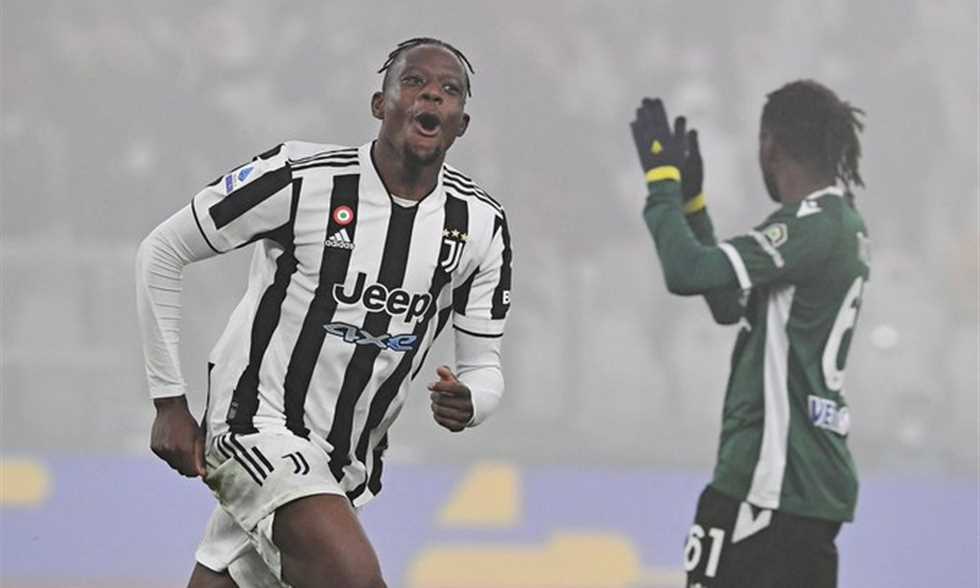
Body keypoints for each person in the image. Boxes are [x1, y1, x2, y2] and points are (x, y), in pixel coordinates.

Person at [136, 37, 512, 588]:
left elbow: (483, 366)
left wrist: (472, 400)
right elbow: (163, 250)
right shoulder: (302, 177)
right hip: (255, 427)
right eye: (414, 81)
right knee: (355, 579)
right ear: (380, 104)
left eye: (449, 90)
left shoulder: (479, 225)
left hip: (343, 466)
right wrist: (168, 401)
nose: (432, 94)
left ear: (462, 124)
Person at [630, 81, 868, 587]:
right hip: (806, 486)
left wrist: (662, 186)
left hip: (767, 486)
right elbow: (728, 304)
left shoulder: (811, 225)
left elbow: (686, 272)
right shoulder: (841, 224)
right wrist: (694, 208)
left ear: (770, 146)